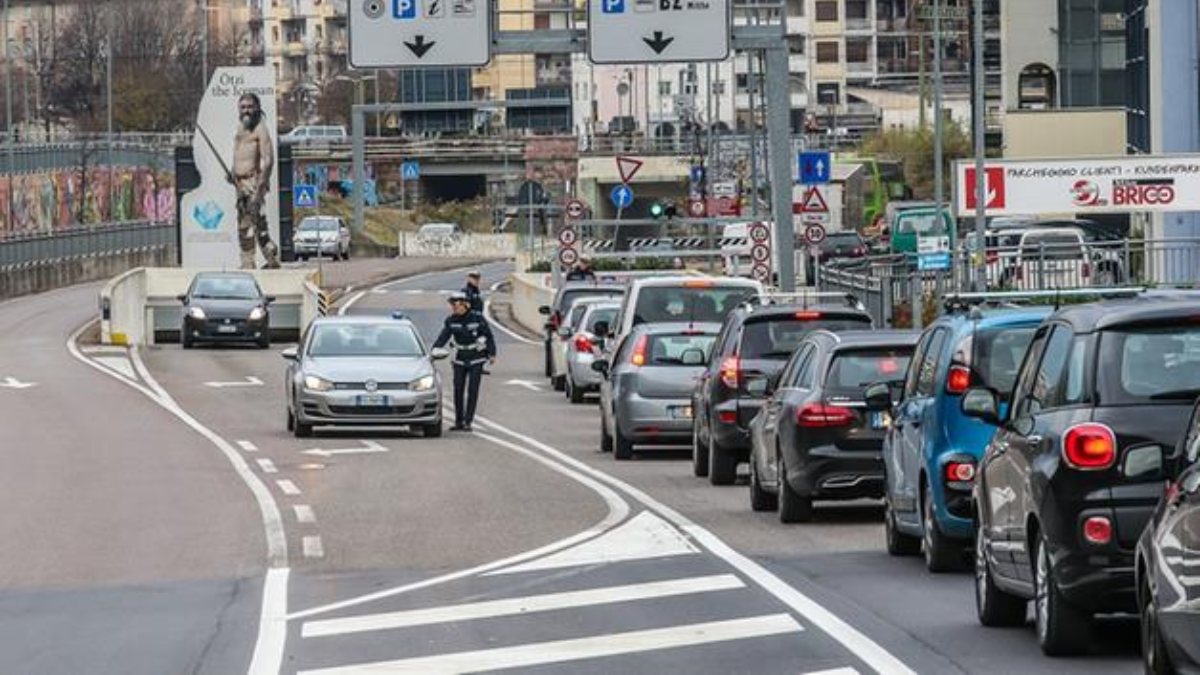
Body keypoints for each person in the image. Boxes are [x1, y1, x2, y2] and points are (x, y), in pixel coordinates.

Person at [432, 292, 497, 432]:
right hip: (459, 358)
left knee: (473, 390)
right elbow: (443, 337)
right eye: (452, 305)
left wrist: (492, 353)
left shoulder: (477, 318)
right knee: (458, 390)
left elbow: (488, 335)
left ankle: (468, 421)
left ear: (465, 304)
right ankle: (459, 421)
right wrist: (433, 352)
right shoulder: (451, 320)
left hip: (476, 357)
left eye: (456, 304)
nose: (453, 307)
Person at [230, 93, 280, 270]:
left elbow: (268, 161)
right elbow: (240, 153)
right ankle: (254, 261)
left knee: (253, 224)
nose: (246, 111)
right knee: (249, 224)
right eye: (243, 107)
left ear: (257, 107)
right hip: (240, 183)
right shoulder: (241, 127)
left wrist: (259, 190)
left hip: (253, 183)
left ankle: (259, 260)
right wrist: (233, 172)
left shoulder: (260, 128)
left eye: (250, 107)